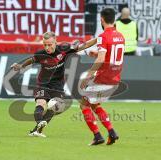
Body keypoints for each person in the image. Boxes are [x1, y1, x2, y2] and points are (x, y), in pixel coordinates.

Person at [11, 31, 97, 137]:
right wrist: (20, 66)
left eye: (50, 45)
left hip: (57, 85)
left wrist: (99, 39)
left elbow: (85, 45)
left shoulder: (64, 50)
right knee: (41, 104)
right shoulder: (41, 54)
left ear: (55, 42)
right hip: (43, 84)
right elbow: (31, 60)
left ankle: (36, 130)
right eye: (45, 45)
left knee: (55, 106)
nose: (47, 48)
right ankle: (39, 124)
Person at [79, 8, 125, 145]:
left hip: (103, 78)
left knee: (83, 105)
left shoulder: (103, 37)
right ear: (114, 20)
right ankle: (111, 132)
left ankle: (97, 136)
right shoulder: (120, 36)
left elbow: (101, 59)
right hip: (115, 78)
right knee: (94, 104)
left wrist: (88, 75)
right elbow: (110, 54)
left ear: (102, 19)